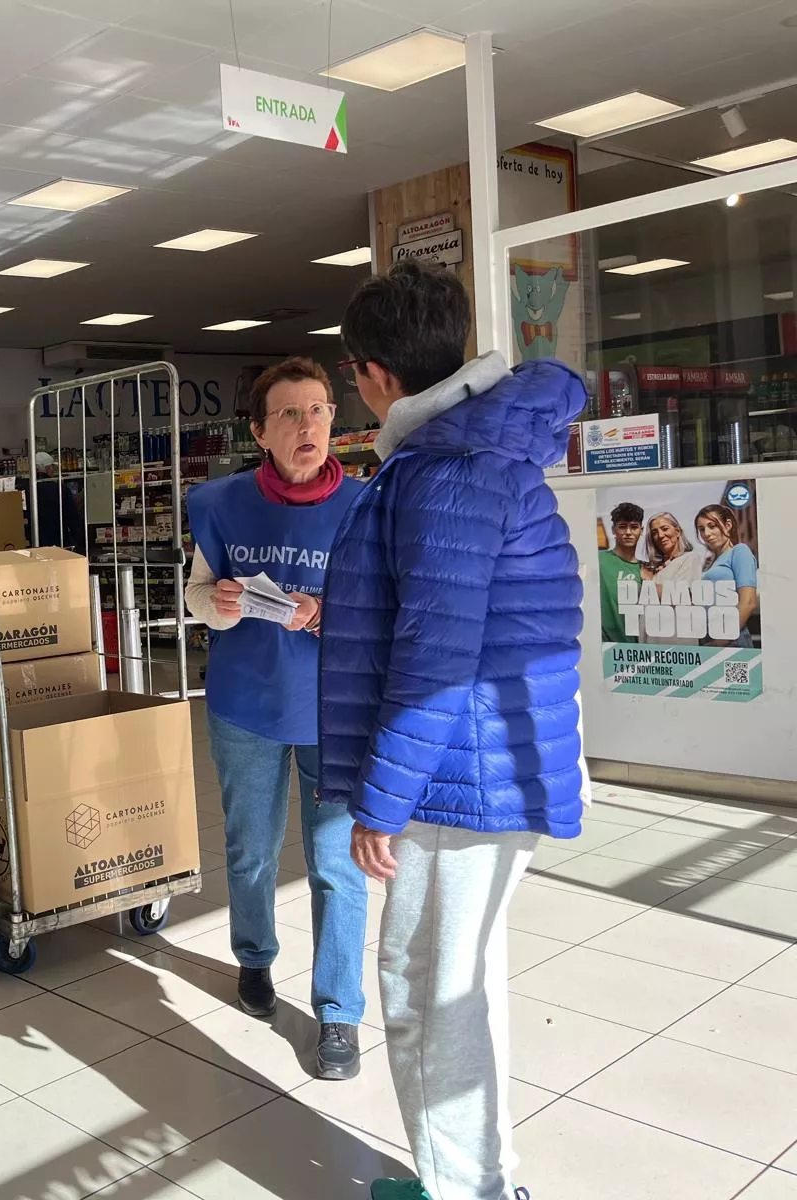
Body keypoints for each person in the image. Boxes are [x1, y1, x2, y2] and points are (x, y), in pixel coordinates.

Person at [318, 261, 586, 1200]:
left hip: (458, 776)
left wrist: (379, 802)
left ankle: (464, 1187)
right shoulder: (480, 456)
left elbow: (435, 666)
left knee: (425, 983)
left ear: (374, 375)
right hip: (496, 763)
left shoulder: (441, 477)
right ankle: (475, 1174)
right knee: (458, 977)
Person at [185, 356, 368, 1081]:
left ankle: (339, 1013)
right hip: (247, 707)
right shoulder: (220, 503)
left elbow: (386, 610)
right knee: (251, 849)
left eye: (319, 410)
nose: (308, 426)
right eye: (290, 414)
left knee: (335, 862)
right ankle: (254, 957)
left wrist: (330, 614)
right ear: (260, 430)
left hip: (338, 709)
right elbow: (197, 591)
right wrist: (215, 606)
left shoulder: (364, 506)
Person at [696, 503, 758, 645]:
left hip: (731, 640)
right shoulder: (709, 562)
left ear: (728, 525)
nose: (707, 533)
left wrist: (720, 641)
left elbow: (749, 602)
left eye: (712, 526)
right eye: (701, 529)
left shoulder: (740, 551)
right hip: (708, 638)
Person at [640, 512, 701, 645]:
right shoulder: (656, 567)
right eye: (655, 532)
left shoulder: (690, 558)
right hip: (650, 643)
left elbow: (681, 596)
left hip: (676, 645)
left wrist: (648, 581)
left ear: (678, 531)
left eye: (665, 529)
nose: (660, 535)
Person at [598, 501, 644, 643]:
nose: (628, 532)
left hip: (637, 651)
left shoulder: (646, 569)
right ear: (613, 530)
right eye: (623, 527)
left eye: (634, 527)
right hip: (604, 650)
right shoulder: (599, 559)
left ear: (641, 530)